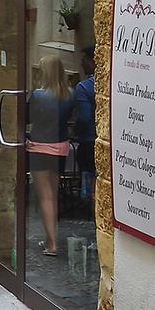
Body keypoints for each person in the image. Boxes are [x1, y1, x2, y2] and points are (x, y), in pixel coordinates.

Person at [26, 53, 75, 256]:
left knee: (44, 197)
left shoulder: (38, 95)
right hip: (60, 147)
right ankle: (49, 238)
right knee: (53, 196)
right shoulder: (70, 94)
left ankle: (52, 244)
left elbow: (28, 118)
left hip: (39, 147)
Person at [72, 48, 97, 198]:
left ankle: (91, 207)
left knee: (90, 182)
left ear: (93, 61)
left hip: (89, 140)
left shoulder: (84, 87)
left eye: (83, 60)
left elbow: (84, 117)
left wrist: (75, 131)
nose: (81, 64)